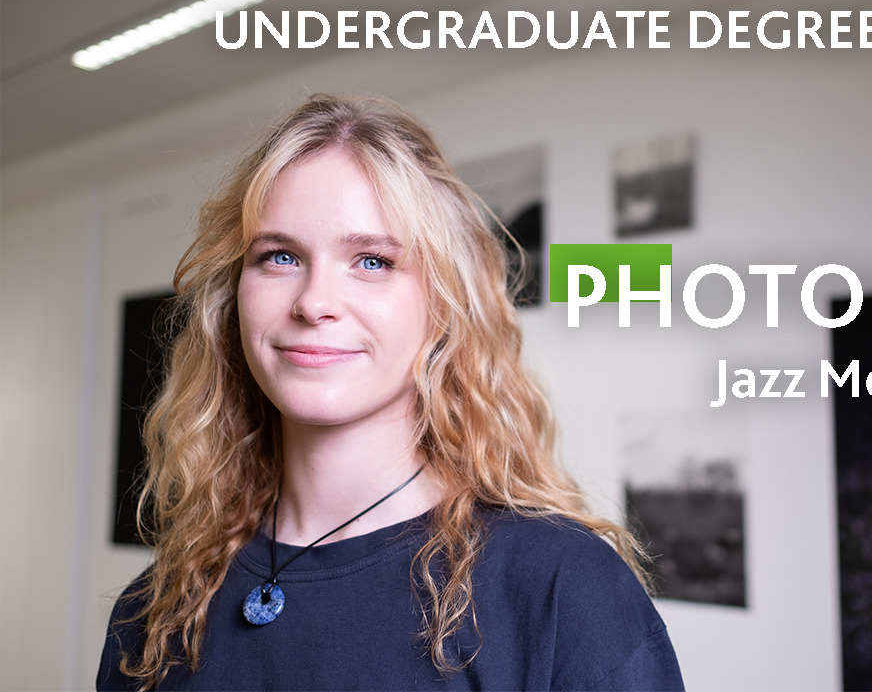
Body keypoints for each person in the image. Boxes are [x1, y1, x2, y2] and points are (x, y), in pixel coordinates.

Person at [98, 94, 684, 691]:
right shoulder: (154, 610)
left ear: (443, 305)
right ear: (233, 298)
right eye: (279, 256)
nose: (314, 302)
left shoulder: (561, 586)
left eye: (372, 261)